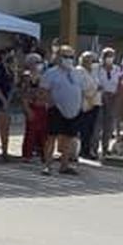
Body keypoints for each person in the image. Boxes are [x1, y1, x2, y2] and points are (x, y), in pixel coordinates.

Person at [39, 45, 86, 175]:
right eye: (65, 56)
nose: (69, 59)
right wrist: (52, 103)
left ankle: (64, 165)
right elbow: (43, 90)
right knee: (51, 137)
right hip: (56, 109)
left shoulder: (77, 73)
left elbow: (81, 90)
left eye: (71, 57)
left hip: (74, 110)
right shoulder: (51, 73)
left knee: (68, 138)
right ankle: (47, 165)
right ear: (59, 57)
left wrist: (80, 105)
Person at [92, 48, 122, 159]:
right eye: (107, 55)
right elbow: (95, 82)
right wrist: (103, 92)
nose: (109, 58)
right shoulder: (96, 68)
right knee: (97, 125)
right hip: (99, 99)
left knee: (109, 126)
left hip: (113, 99)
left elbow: (119, 83)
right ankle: (94, 149)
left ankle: (105, 148)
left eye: (111, 55)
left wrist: (116, 94)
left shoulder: (117, 69)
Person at [76, 51, 102, 160]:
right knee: (84, 129)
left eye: (91, 59)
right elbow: (84, 87)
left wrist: (97, 88)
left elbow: (97, 84)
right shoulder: (79, 71)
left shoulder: (94, 71)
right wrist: (96, 89)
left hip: (95, 103)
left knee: (91, 129)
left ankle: (87, 150)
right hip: (85, 104)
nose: (90, 61)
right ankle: (81, 150)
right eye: (87, 59)